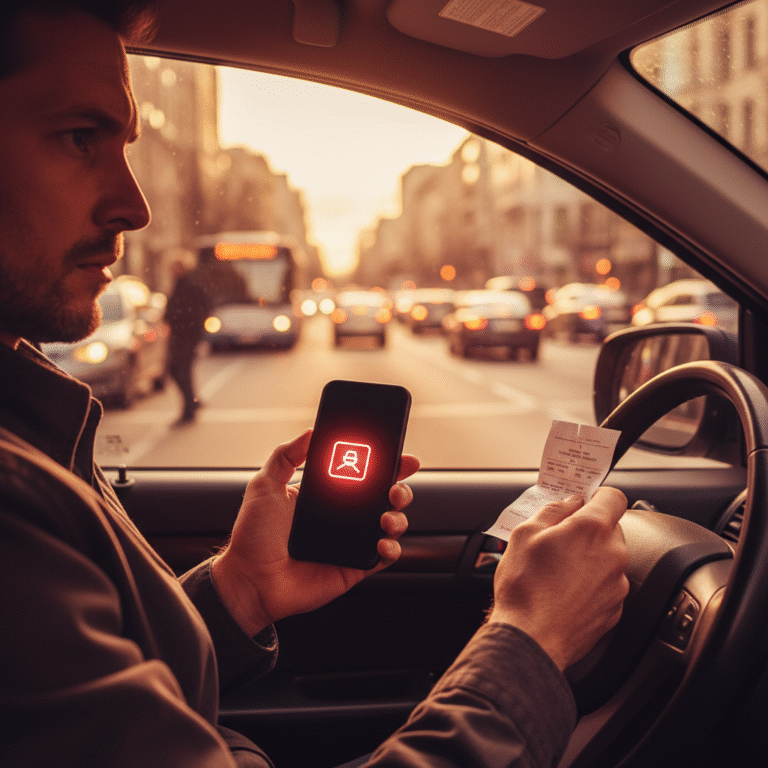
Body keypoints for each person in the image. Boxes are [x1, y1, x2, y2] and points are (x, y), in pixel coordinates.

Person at [0, 2, 630, 767]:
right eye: (79, 138)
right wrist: (532, 638)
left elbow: (112, 690)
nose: (134, 206)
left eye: (125, 144)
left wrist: (238, 591)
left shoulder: (28, 427)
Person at [164, 257, 210, 424]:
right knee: (178, 371)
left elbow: (199, 308)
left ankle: (189, 409)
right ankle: (191, 402)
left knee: (181, 371)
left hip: (186, 335)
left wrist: (191, 328)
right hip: (180, 335)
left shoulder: (189, 284)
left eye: (175, 267)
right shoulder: (180, 283)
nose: (172, 271)